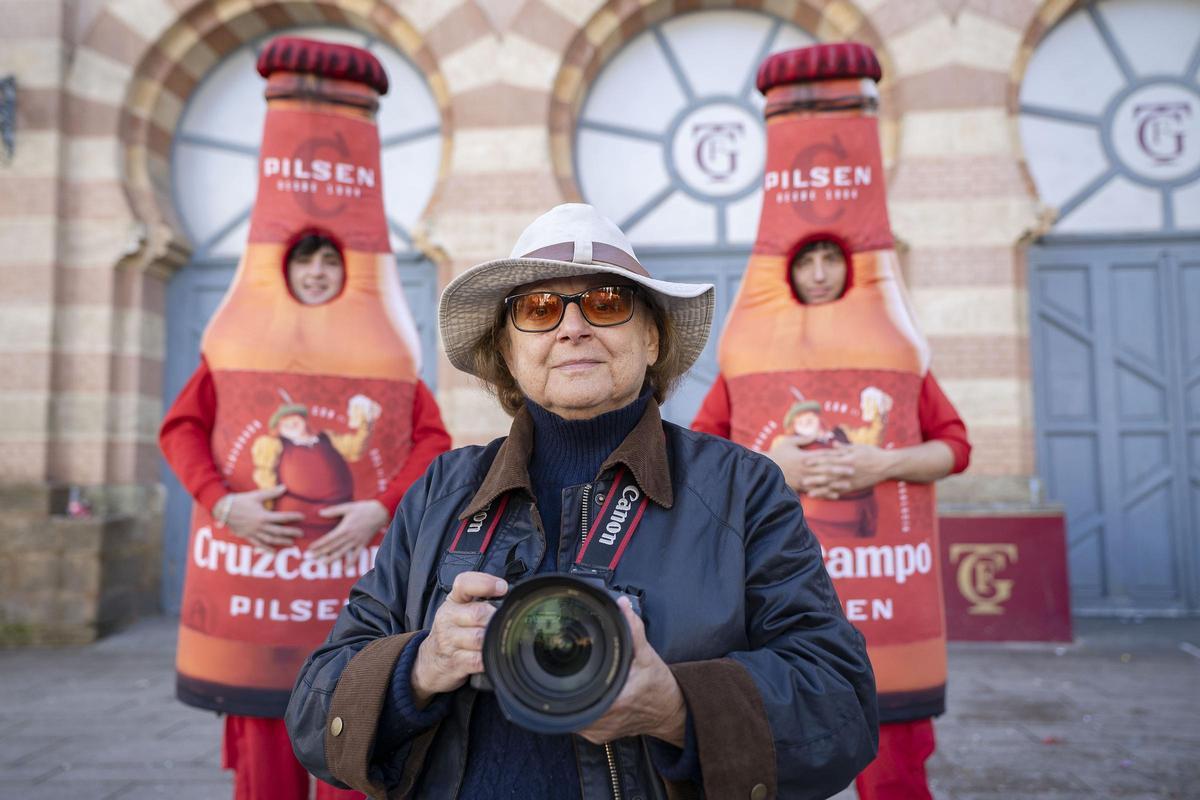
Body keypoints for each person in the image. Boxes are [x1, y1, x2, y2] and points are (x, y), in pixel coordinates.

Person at [285, 203, 878, 800]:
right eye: (539, 309)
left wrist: (675, 707)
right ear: (508, 354)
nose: (572, 328)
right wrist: (420, 666)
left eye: (606, 304)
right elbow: (313, 716)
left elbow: (840, 706)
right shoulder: (442, 490)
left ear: (651, 338)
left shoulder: (743, 490)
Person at [160, 232, 451, 800]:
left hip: (347, 604)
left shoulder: (380, 355)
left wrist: (379, 508)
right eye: (303, 259)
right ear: (280, 271)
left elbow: (431, 440)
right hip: (261, 608)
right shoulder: (238, 348)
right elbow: (181, 429)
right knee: (265, 773)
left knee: (351, 755)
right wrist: (221, 502)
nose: (316, 271)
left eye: (329, 261)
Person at [693, 238, 971, 799]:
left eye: (831, 259)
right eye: (805, 261)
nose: (819, 274)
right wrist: (774, 467)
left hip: (883, 604)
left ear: (854, 268)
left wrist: (883, 462)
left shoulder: (898, 355)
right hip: (777, 601)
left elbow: (956, 447)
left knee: (896, 777)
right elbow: (701, 459)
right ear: (785, 272)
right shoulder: (748, 361)